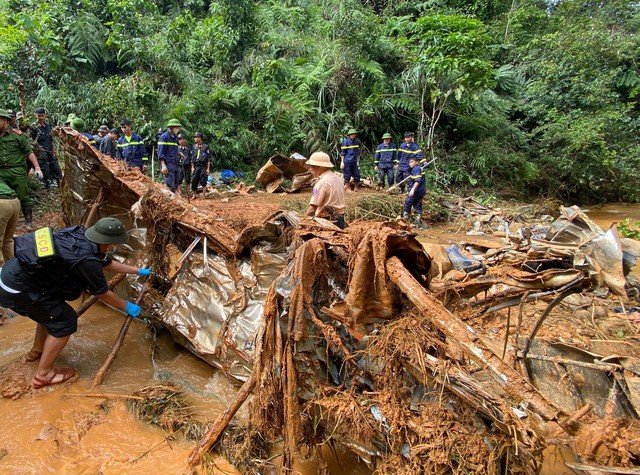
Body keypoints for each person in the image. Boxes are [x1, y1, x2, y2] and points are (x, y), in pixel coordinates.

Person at [0, 217, 150, 389]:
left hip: (9, 275)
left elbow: (106, 263)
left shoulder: (79, 234)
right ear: (108, 243)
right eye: (113, 244)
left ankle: (37, 351)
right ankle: (43, 375)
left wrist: (137, 271)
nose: (113, 247)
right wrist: (127, 306)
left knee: (50, 314)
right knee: (65, 321)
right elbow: (102, 293)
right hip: (16, 289)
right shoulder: (87, 261)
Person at [0, 109, 43, 231]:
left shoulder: (17, 135)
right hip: (1, 173)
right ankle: (7, 224)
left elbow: (29, 152)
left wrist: (37, 167)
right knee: (3, 198)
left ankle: (28, 222)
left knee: (23, 196)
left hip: (17, 170)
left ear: (5, 121)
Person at [305, 151, 347, 229]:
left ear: (321, 167)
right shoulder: (338, 179)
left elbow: (312, 209)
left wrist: (303, 221)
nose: (310, 169)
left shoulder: (322, 183)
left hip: (327, 221)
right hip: (340, 220)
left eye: (312, 166)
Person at [30, 107, 62, 189]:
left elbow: (51, 139)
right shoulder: (33, 127)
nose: (40, 118)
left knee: (56, 170)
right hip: (41, 153)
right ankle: (47, 187)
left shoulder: (48, 126)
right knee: (45, 171)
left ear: (45, 116)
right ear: (36, 116)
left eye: (42, 116)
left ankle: (58, 186)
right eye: (39, 116)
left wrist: (53, 149)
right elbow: (31, 141)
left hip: (50, 151)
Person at [157, 119, 182, 192]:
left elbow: (172, 150)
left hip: (175, 164)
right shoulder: (164, 137)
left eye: (178, 128)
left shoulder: (175, 138)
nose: (177, 129)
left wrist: (178, 153)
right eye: (176, 127)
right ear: (171, 127)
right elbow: (161, 152)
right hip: (168, 165)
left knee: (175, 184)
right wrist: (163, 165)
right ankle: (171, 201)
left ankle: (174, 200)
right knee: (170, 186)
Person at [0, 178, 21, 266]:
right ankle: (13, 270)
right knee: (7, 240)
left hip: (2, 203)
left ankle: (1, 274)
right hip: (14, 201)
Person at [402, 156, 427, 229]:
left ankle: (404, 222)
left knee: (407, 204)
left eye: (412, 162)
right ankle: (417, 223)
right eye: (409, 162)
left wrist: (412, 189)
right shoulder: (419, 168)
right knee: (418, 205)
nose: (410, 163)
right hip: (421, 191)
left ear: (416, 162)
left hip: (416, 191)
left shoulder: (416, 169)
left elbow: (417, 180)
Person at [190, 132, 210, 197]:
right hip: (196, 166)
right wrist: (192, 167)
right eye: (195, 137)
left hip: (203, 166)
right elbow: (192, 158)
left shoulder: (205, 147)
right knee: (194, 180)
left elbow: (208, 159)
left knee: (203, 180)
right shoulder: (194, 147)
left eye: (196, 137)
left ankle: (203, 195)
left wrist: (208, 168)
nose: (195, 139)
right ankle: (194, 195)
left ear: (200, 138)